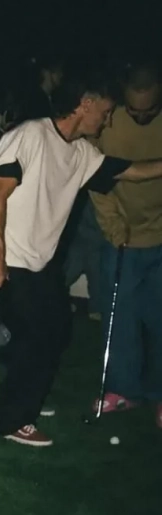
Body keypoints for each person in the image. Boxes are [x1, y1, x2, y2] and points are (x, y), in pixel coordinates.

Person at [0, 71, 162, 448]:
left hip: (36, 262)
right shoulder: (31, 135)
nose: (107, 120)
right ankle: (11, 420)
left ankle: (24, 396)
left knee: (55, 327)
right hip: (2, 254)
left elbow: (131, 172)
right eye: (105, 111)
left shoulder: (82, 153)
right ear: (85, 104)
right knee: (35, 336)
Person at [89, 64, 162, 425]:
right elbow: (96, 177)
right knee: (120, 318)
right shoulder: (109, 122)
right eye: (134, 111)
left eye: (149, 111)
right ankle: (122, 390)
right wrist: (113, 226)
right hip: (121, 236)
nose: (141, 117)